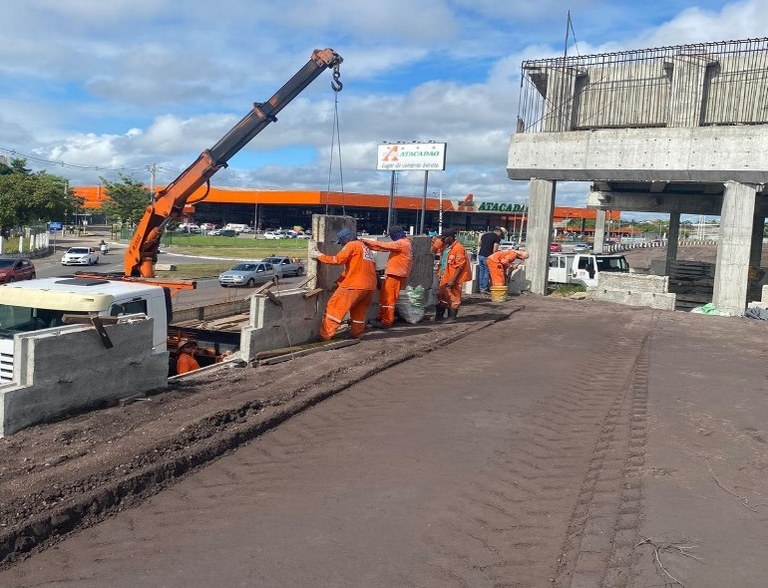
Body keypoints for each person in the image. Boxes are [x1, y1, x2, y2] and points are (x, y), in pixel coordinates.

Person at [310, 227, 377, 340]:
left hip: (354, 285)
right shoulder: (365, 248)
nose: (341, 245)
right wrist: (338, 282)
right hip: (369, 287)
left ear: (346, 238)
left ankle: (325, 335)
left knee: (334, 306)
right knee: (358, 312)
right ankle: (357, 334)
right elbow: (352, 270)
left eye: (341, 242)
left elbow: (337, 260)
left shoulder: (352, 245)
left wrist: (319, 256)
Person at [361, 225, 413, 329]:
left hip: (396, 274)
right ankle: (382, 317)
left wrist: (365, 241)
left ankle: (386, 321)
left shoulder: (402, 243)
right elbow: (383, 248)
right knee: (384, 297)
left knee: (389, 299)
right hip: (395, 274)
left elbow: (385, 245)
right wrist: (369, 246)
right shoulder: (405, 243)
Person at [435, 229, 472, 323]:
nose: (443, 240)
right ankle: (439, 316)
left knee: (453, 297)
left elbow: (460, 266)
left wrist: (453, 280)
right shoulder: (446, 247)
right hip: (444, 275)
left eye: (445, 238)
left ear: (450, 238)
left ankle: (452, 317)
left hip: (453, 277)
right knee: (442, 296)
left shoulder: (458, 248)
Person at [477, 227, 505, 294]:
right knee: (487, 272)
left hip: (480, 255)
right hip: (487, 256)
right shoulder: (497, 238)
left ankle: (481, 287)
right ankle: (484, 288)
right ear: (500, 232)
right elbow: (494, 250)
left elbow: (479, 244)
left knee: (482, 271)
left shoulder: (485, 235)